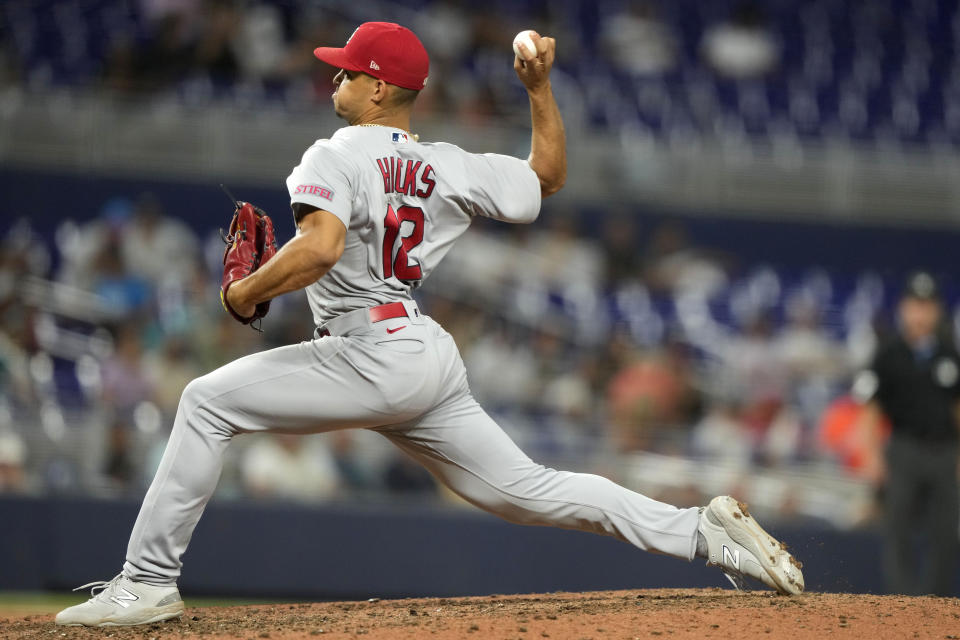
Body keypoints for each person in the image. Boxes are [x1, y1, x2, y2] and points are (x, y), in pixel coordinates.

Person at [55, 22, 803, 627]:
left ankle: (147, 582)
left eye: (348, 72)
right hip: (420, 354)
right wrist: (539, 90)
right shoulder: (447, 163)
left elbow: (318, 249)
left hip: (368, 352)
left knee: (203, 401)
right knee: (531, 490)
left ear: (379, 88)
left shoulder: (334, 152)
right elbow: (546, 175)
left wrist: (243, 292)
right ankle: (703, 532)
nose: (336, 80)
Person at [854, 272, 960, 596]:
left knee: (945, 531)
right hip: (903, 449)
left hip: (944, 452)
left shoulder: (949, 354)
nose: (921, 313)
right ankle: (902, 602)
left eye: (927, 306)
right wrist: (871, 455)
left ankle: (937, 603)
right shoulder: (888, 353)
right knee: (897, 527)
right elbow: (870, 406)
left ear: (937, 310)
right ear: (903, 308)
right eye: (915, 305)